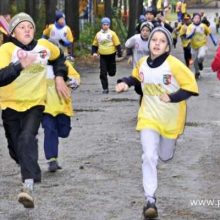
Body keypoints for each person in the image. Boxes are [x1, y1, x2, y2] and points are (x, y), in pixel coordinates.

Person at [115, 27, 199, 219]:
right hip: (148, 118)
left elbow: (191, 87)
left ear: (168, 46)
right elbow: (136, 77)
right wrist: (124, 83)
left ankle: (169, 145)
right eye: (154, 40)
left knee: (164, 156)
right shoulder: (143, 62)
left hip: (170, 121)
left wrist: (172, 97)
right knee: (149, 156)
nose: (157, 43)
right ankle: (150, 199)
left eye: (162, 41)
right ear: (150, 43)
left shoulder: (174, 64)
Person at [0, 12, 69, 209]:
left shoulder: (44, 47)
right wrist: (19, 65)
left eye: (30, 26)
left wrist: (59, 76)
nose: (27, 30)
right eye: (22, 27)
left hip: (35, 103)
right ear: (13, 32)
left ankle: (27, 187)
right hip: (10, 105)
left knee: (26, 138)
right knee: (16, 150)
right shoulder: (6, 49)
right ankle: (31, 167)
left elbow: (59, 58)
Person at [42, 55, 80, 172]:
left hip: (63, 107)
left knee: (64, 132)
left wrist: (67, 80)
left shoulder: (65, 65)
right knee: (49, 131)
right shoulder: (39, 66)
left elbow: (76, 80)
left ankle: (55, 137)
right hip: (45, 108)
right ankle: (52, 159)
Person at [91, 17, 122, 94]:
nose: (106, 26)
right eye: (104, 24)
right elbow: (94, 45)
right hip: (102, 56)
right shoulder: (98, 34)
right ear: (101, 25)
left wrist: (119, 52)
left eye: (107, 25)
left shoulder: (112, 33)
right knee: (102, 72)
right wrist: (94, 52)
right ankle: (105, 88)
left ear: (109, 25)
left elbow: (117, 43)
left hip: (111, 55)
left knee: (112, 73)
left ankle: (110, 69)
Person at [186, 12, 217, 79]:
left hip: (202, 45)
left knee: (201, 55)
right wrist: (192, 33)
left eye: (198, 18)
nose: (197, 19)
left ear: (200, 19)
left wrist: (214, 40)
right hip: (193, 47)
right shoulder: (190, 27)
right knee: (195, 61)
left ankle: (200, 63)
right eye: (195, 18)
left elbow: (210, 33)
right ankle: (197, 72)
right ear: (192, 19)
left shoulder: (203, 26)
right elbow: (187, 37)